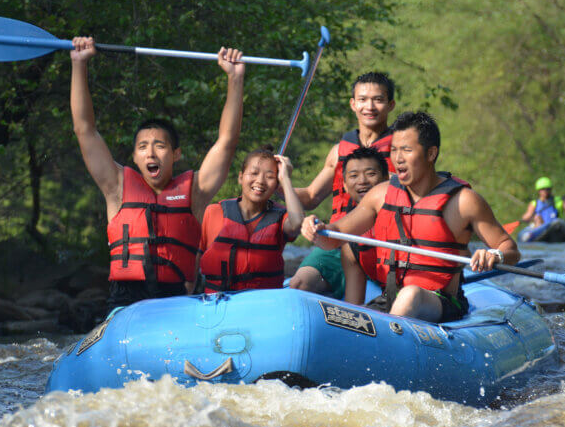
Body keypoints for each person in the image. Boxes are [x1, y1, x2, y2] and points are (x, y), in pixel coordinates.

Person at [70, 37, 245, 311]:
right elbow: (84, 130)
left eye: (159, 146)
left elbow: (227, 142)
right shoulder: (117, 187)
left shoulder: (195, 191)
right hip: (125, 303)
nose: (150, 153)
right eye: (143, 147)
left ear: (176, 154)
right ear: (134, 157)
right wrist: (79, 64)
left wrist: (235, 79)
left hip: (175, 302)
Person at [302, 111, 520, 323]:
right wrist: (315, 228)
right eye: (394, 150)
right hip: (390, 300)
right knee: (380, 305)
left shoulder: (464, 202)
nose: (398, 159)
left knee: (410, 295)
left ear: (431, 154)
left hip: (441, 302)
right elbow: (332, 238)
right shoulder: (380, 195)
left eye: (406, 150)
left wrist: (495, 255)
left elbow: (509, 249)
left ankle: (388, 336)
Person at [289, 72, 396, 298]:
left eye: (378, 99)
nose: (369, 106)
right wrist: (277, 182)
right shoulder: (339, 151)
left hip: (385, 244)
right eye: (363, 99)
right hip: (338, 240)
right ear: (353, 104)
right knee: (299, 284)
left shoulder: (402, 151)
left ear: (390, 105)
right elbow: (310, 196)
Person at [199, 147, 304, 292]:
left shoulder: (281, 218)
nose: (260, 181)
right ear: (240, 177)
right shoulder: (213, 212)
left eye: (270, 177)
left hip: (262, 302)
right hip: (218, 301)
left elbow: (298, 224)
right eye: (254, 173)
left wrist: (286, 179)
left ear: (277, 185)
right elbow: (194, 259)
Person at [336, 147, 389, 305]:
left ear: (386, 179)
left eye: (371, 174)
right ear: (345, 185)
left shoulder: (407, 217)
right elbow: (354, 304)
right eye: (354, 176)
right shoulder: (350, 242)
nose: (362, 181)